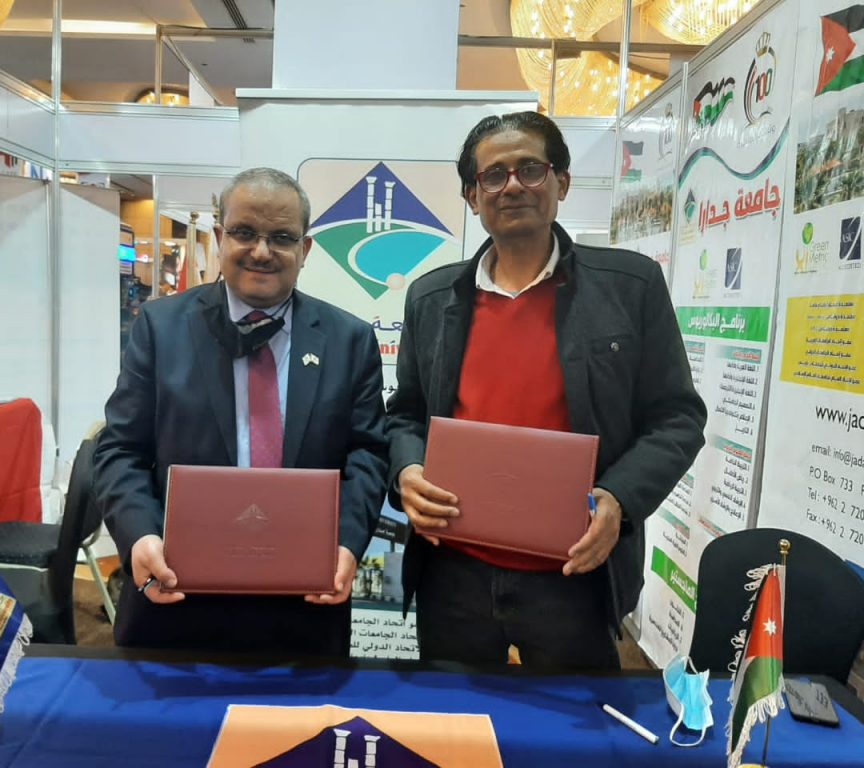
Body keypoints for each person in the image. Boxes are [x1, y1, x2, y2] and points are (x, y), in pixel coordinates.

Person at [386, 112, 706, 671]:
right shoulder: (432, 298)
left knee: (575, 719)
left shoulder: (629, 287)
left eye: (530, 169)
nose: (512, 185)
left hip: (574, 571)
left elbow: (677, 418)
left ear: (561, 181)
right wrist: (407, 471)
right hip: (453, 571)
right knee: (455, 718)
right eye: (494, 175)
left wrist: (619, 498)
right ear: (472, 196)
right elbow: (405, 415)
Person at [93, 167, 389, 657]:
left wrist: (347, 543)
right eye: (245, 232)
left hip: (305, 607)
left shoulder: (349, 340)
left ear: (305, 249)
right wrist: (140, 534)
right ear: (219, 237)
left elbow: (368, 454)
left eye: (282, 238)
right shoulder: (161, 328)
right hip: (176, 598)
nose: (262, 251)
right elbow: (120, 449)